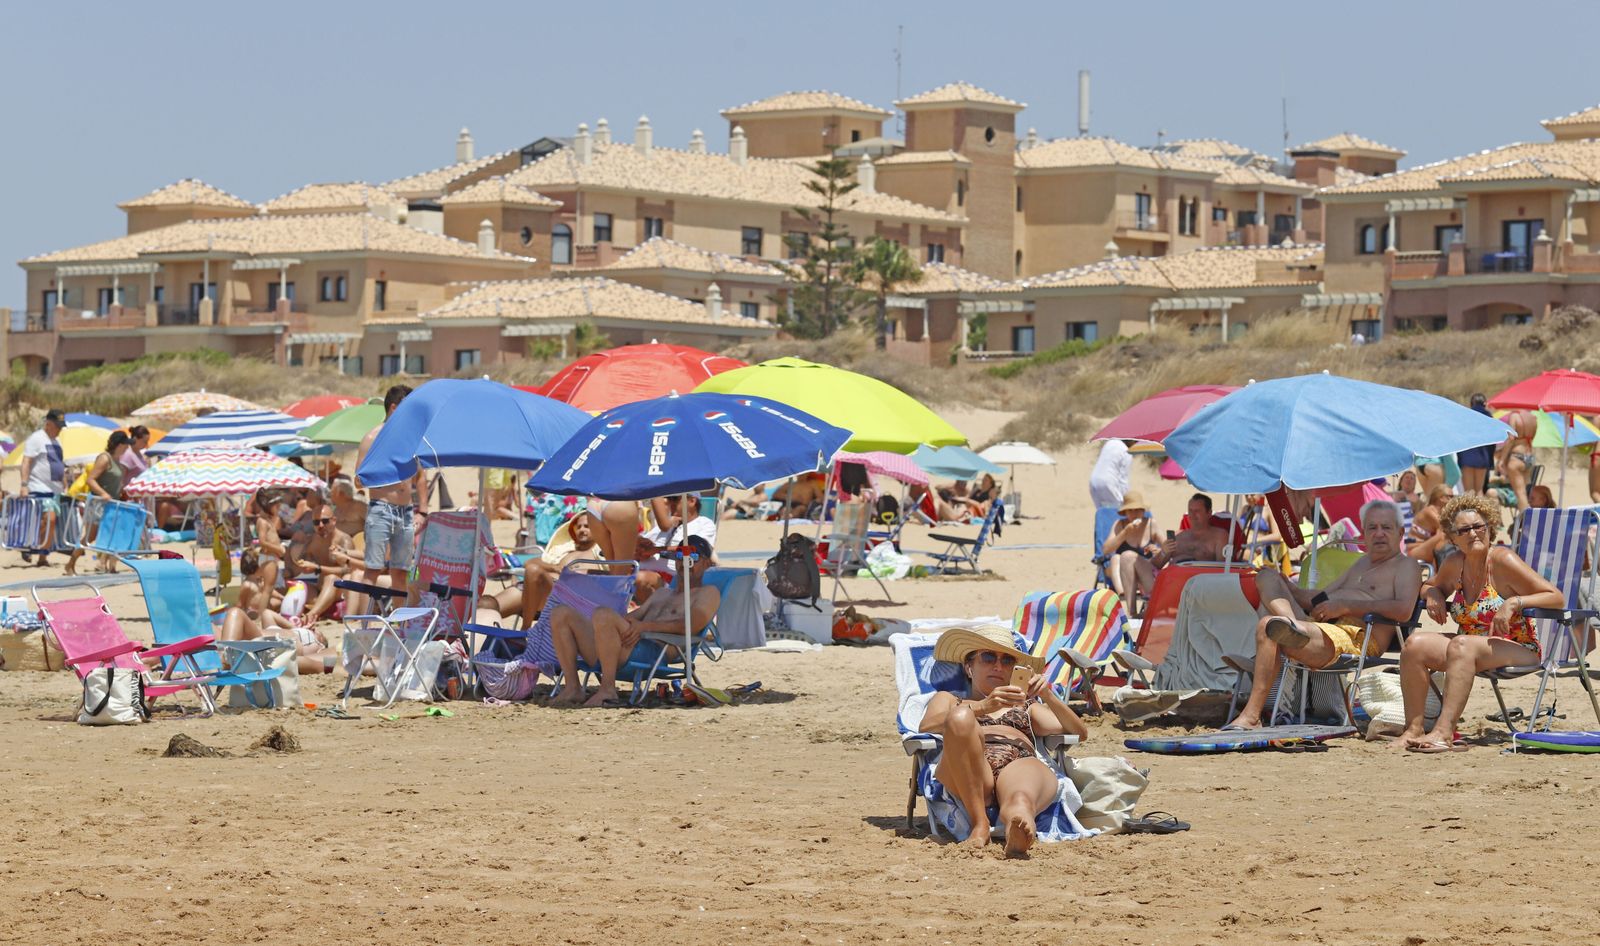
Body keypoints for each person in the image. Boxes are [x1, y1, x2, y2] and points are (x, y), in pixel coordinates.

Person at [1224, 500, 1423, 730]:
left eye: (1386, 528)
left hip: (1356, 637)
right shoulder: (1361, 563)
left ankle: (1251, 715)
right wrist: (1289, 587)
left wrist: (1345, 607)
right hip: (1320, 625)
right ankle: (1292, 626)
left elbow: (1403, 610)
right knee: (1267, 577)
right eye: (1372, 527)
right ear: (1363, 533)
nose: (1378, 534)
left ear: (1400, 532)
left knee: (1268, 626)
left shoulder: (1406, 566)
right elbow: (1320, 599)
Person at [1395, 494, 1564, 752]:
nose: (1473, 534)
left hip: (1517, 647)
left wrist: (1513, 603)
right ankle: (1414, 729)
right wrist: (1433, 594)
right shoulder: (1454, 564)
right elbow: (1430, 585)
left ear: (1490, 528)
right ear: (1452, 538)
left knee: (1462, 645)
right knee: (1414, 644)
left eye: (1478, 527)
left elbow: (1556, 597)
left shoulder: (1502, 560)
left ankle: (1443, 732)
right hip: (1469, 648)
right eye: (1464, 530)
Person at [916, 624, 1089, 856]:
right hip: (969, 764)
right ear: (969, 668)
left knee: (1020, 798)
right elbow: (926, 726)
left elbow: (1078, 732)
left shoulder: (1026, 705)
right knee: (960, 717)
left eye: (1007, 660)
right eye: (987, 657)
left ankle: (1019, 829)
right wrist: (982, 707)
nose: (998, 666)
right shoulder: (949, 699)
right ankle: (980, 825)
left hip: (1018, 760)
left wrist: (1047, 695)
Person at [549, 534, 721, 708]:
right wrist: (615, 627)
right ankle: (573, 688)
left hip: (655, 652)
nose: (685, 561)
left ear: (707, 563)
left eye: (693, 556)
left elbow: (689, 626)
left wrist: (644, 627)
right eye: (679, 555)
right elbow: (631, 619)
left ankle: (608, 688)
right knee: (560, 613)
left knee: (603, 614)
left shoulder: (708, 593)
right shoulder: (663, 593)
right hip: (628, 646)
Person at [217, 549, 337, 676]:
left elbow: (320, 661)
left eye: (319, 634)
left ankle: (225, 657)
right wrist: (294, 627)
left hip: (271, 647)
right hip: (256, 639)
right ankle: (225, 655)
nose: (315, 629)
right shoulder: (286, 629)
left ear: (320, 643)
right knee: (226, 620)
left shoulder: (317, 647)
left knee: (235, 613)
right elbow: (267, 613)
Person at [476, 510, 601, 628]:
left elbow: (607, 577)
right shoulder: (563, 552)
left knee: (533, 571)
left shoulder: (599, 554)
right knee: (486, 605)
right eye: (578, 527)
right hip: (533, 587)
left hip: (564, 596)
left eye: (586, 526)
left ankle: (525, 629)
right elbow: (530, 562)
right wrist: (555, 567)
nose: (582, 530)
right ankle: (467, 642)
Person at [355, 385, 424, 599]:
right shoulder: (372, 439)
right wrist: (386, 471)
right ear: (394, 408)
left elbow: (421, 475)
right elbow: (358, 480)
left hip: (406, 511)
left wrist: (424, 510)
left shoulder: (410, 439)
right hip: (381, 509)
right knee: (373, 570)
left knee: (401, 572)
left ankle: (398, 626)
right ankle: (365, 625)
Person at [65, 430, 133, 576]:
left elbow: (113, 482)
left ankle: (107, 566)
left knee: (111, 534)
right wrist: (103, 493)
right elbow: (91, 479)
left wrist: (122, 492)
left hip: (112, 504)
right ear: (119, 444)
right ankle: (71, 563)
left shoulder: (117, 461)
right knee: (91, 536)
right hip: (98, 503)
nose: (127, 448)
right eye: (126, 444)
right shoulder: (104, 458)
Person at [290, 504, 357, 624]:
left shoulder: (343, 540)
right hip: (320, 588)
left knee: (331, 579)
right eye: (316, 522)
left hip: (340, 590)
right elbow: (297, 562)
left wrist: (318, 568)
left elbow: (348, 570)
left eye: (325, 521)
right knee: (298, 585)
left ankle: (311, 615)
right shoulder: (313, 540)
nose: (320, 525)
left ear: (334, 520)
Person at [18, 409, 67, 567]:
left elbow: (59, 465)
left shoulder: (56, 442)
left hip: (55, 489)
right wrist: (24, 485)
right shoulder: (37, 438)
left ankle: (42, 556)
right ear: (48, 424)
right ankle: (30, 547)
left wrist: (64, 482)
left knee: (50, 523)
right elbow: (26, 461)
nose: (59, 429)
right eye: (57, 426)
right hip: (39, 486)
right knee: (48, 519)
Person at [1100, 490, 1159, 615]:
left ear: (1143, 511)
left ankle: (1127, 597)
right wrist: (1124, 533)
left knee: (1123, 557)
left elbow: (1165, 546)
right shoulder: (1120, 525)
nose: (1134, 513)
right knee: (1116, 557)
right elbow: (1105, 550)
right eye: (1130, 510)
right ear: (1125, 512)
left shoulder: (1150, 524)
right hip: (1123, 574)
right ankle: (1122, 591)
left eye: (1137, 509)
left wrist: (1157, 549)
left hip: (1144, 572)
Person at [1150, 493, 1229, 568]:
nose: (1192, 515)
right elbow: (1155, 566)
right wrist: (1163, 552)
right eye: (1190, 510)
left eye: (1197, 511)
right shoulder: (1177, 536)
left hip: (1202, 579)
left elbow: (1223, 569)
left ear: (1209, 513)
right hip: (1174, 579)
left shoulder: (1219, 536)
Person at [1494, 409, 1538, 511]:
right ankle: (1528, 520)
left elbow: (1510, 439)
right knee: (1526, 493)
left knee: (1520, 494)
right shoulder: (1533, 418)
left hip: (1517, 457)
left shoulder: (1514, 416)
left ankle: (1526, 523)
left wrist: (1501, 460)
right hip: (1529, 457)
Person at [251, 489, 288, 595]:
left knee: (273, 586)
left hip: (272, 558)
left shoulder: (268, 520)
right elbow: (262, 542)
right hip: (268, 559)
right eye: (277, 507)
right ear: (268, 506)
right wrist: (279, 549)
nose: (278, 510)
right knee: (269, 588)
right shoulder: (262, 521)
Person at [1457, 394, 1495, 496]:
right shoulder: (1488, 416)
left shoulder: (1464, 415)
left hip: (1467, 456)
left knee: (1468, 491)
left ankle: (1469, 512)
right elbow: (1492, 441)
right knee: (1479, 490)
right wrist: (1490, 461)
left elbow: (1458, 437)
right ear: (1484, 403)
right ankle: (1480, 512)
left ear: (1471, 403)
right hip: (1483, 457)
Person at [1406, 484, 1453, 565]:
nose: (1452, 500)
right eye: (1450, 496)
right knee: (1443, 536)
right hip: (1414, 550)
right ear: (1441, 498)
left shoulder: (1439, 513)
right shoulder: (1429, 512)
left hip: (1423, 548)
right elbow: (1448, 528)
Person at [1088, 439, 1132, 511]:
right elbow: (1123, 480)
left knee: (1102, 513)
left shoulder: (1110, 443)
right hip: (1109, 482)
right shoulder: (1126, 451)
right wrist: (1127, 500)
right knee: (1118, 512)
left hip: (1094, 481)